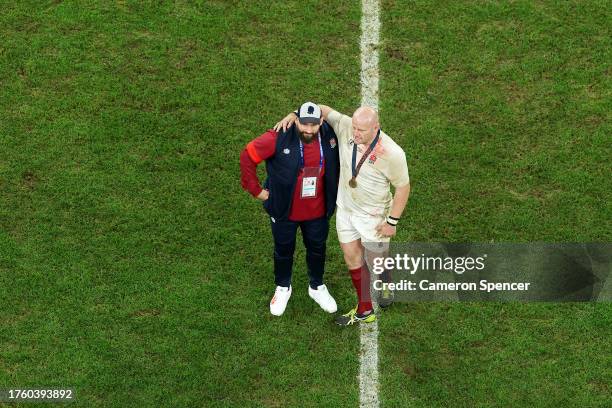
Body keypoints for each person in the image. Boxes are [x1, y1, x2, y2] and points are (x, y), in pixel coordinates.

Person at [275, 105, 410, 326]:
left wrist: (392, 222)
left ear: (376, 128)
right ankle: (365, 309)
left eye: (361, 130)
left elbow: (403, 187)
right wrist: (294, 115)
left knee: (377, 259)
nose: (355, 133)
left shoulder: (393, 153)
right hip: (346, 209)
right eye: (354, 128)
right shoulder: (346, 126)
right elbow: (321, 110)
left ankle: (386, 283)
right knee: (351, 256)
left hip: (373, 215)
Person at [240, 102, 340, 316]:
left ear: (321, 122)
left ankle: (317, 287)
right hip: (284, 211)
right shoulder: (278, 136)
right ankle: (283, 286)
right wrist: (255, 190)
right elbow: (247, 156)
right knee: (283, 249)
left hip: (318, 210)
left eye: (314, 125)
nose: (309, 129)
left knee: (317, 248)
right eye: (304, 124)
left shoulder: (331, 134)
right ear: (296, 121)